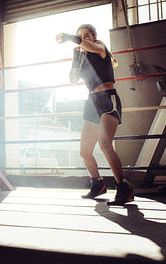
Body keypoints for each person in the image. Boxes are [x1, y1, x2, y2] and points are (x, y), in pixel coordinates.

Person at [56, 24, 134, 206]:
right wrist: (76, 58)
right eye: (81, 36)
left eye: (87, 35)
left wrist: (68, 36)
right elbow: (73, 79)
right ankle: (97, 184)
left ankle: (124, 188)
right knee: (84, 152)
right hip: (91, 103)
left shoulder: (99, 46)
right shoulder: (82, 56)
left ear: (93, 36)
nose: (85, 38)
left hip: (107, 98)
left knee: (105, 143)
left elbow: (90, 46)